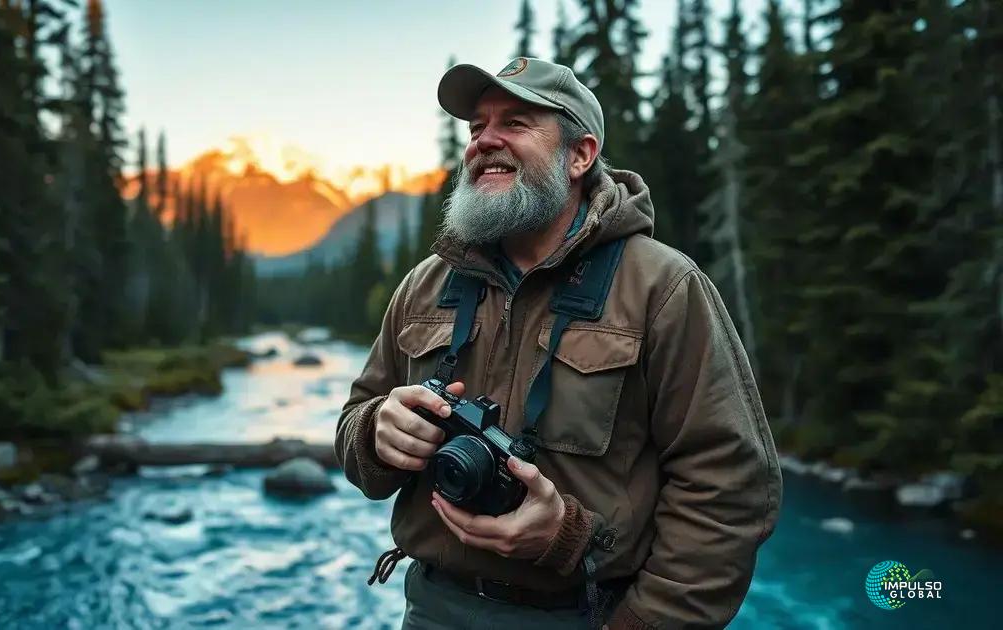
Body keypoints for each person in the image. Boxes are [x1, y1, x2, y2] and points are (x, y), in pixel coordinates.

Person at [334, 56, 782, 630]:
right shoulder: (425, 285)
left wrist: (628, 609)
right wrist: (376, 431)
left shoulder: (663, 288)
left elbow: (731, 488)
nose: (483, 142)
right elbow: (354, 430)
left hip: (586, 613)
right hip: (431, 608)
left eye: (515, 123)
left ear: (580, 155)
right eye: (476, 128)